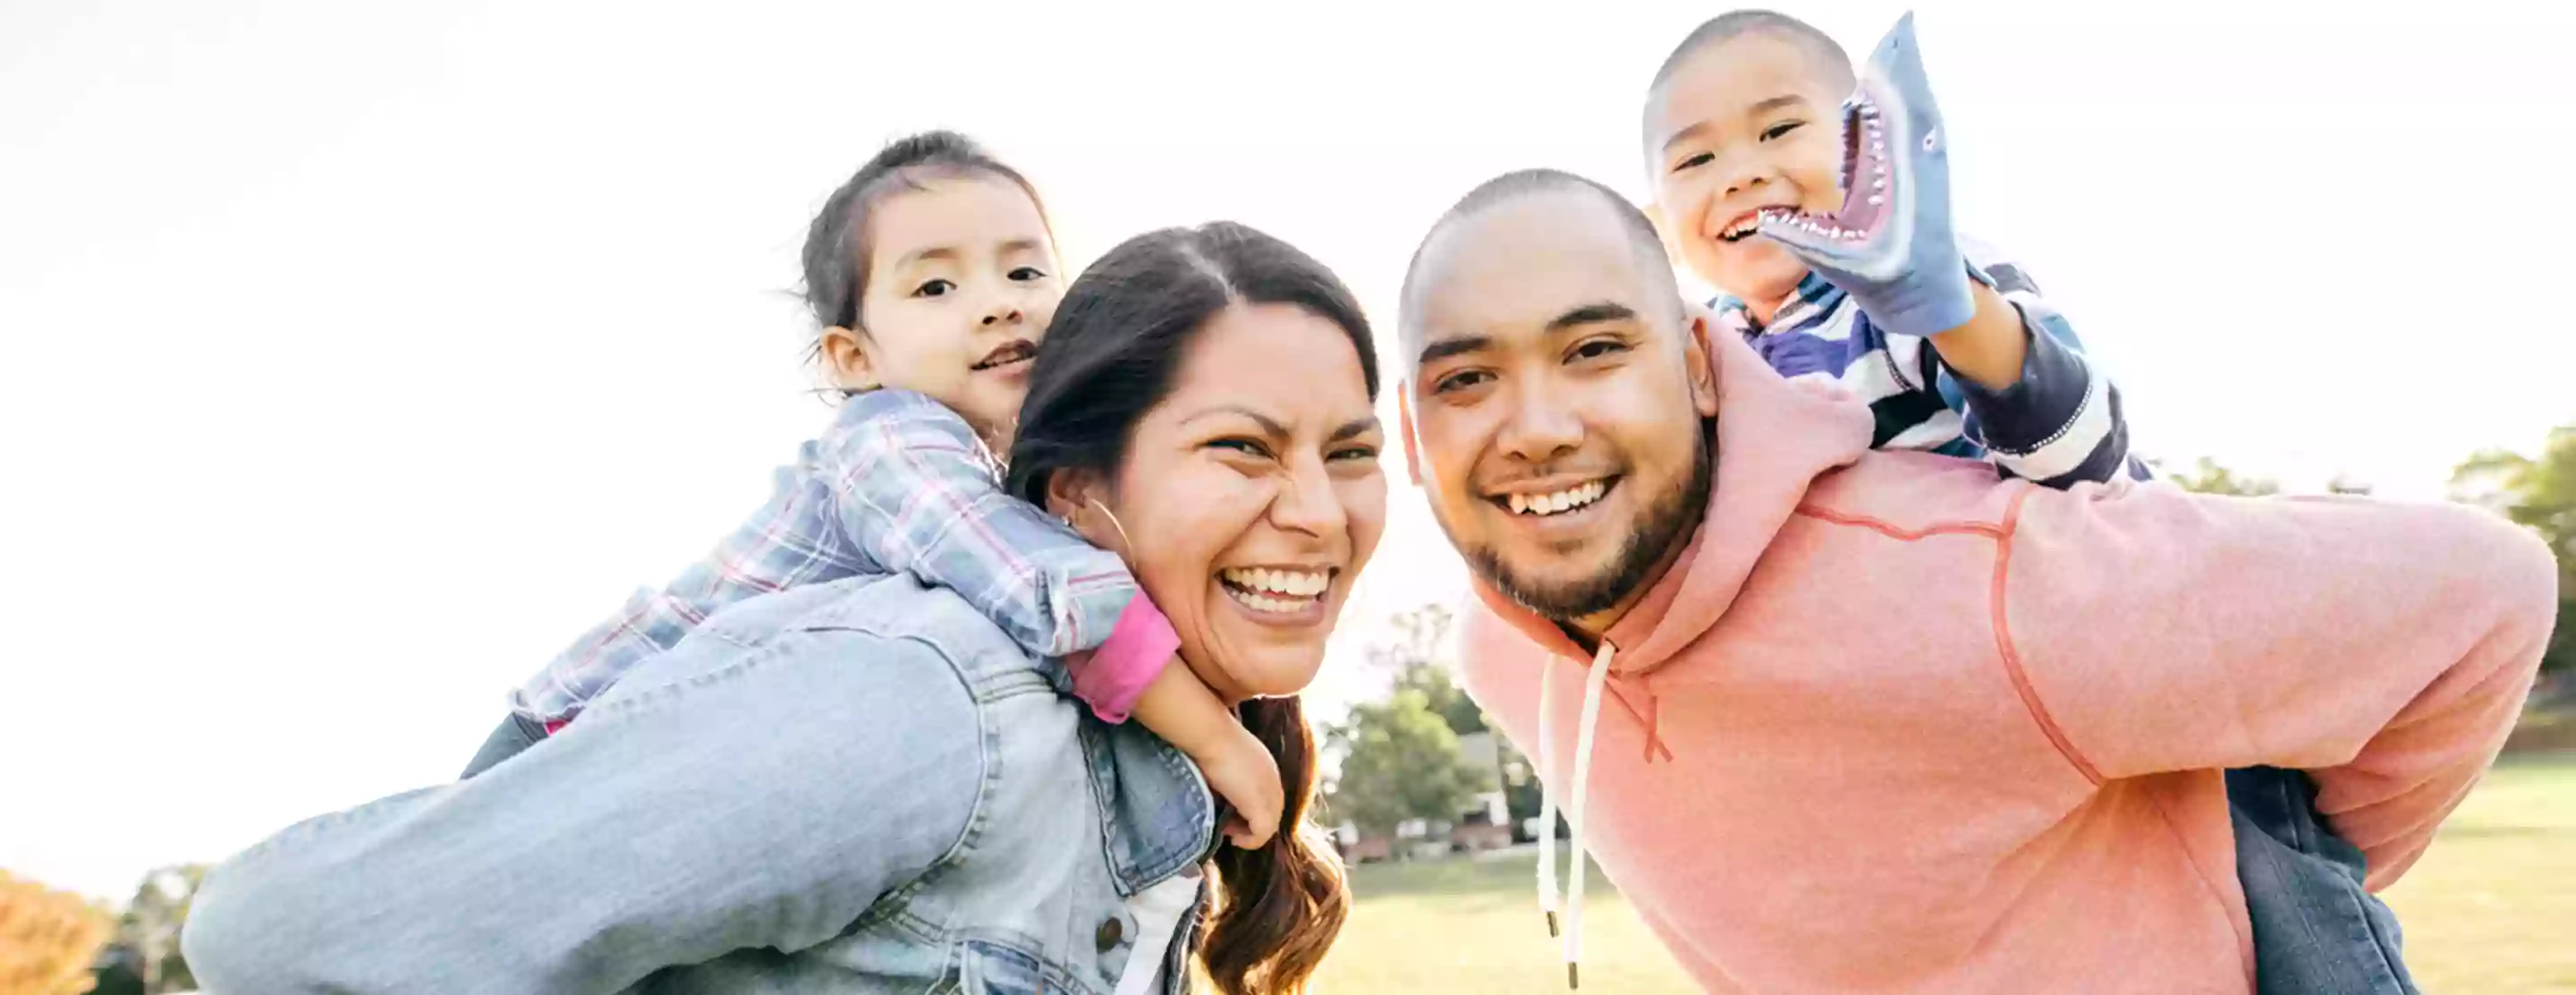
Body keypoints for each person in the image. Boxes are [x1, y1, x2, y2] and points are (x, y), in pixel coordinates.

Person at [1394, 166, 2556, 992]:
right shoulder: (1503, 653)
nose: (1535, 428)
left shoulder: (1983, 587)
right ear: (1411, 430)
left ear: (1704, 367)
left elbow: (2483, 594)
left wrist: (2258, 867)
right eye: (1466, 381)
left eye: (1596, 350)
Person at [181, 220, 1390, 995]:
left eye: (1351, 452)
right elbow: (275, 936)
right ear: (1073, 496)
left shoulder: (1162, 798)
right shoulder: (928, 710)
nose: (1319, 513)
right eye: (1240, 449)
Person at [1639, 12, 2408, 991]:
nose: (1741, 170)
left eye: (1779, 130)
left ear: (1869, 146)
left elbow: (2085, 454)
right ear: (1659, 219)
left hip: (2139, 660)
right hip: (1969, 726)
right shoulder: (1705, 362)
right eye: (1697, 156)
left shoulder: (1914, 286)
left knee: (2283, 900)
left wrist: (1954, 317)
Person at [454, 131, 1284, 848]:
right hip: (568, 744)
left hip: (672, 759)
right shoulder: (892, 440)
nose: (996, 306)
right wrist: (1215, 740)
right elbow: (1046, 589)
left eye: (1026, 272)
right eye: (936, 287)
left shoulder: (999, 470)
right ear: (855, 359)